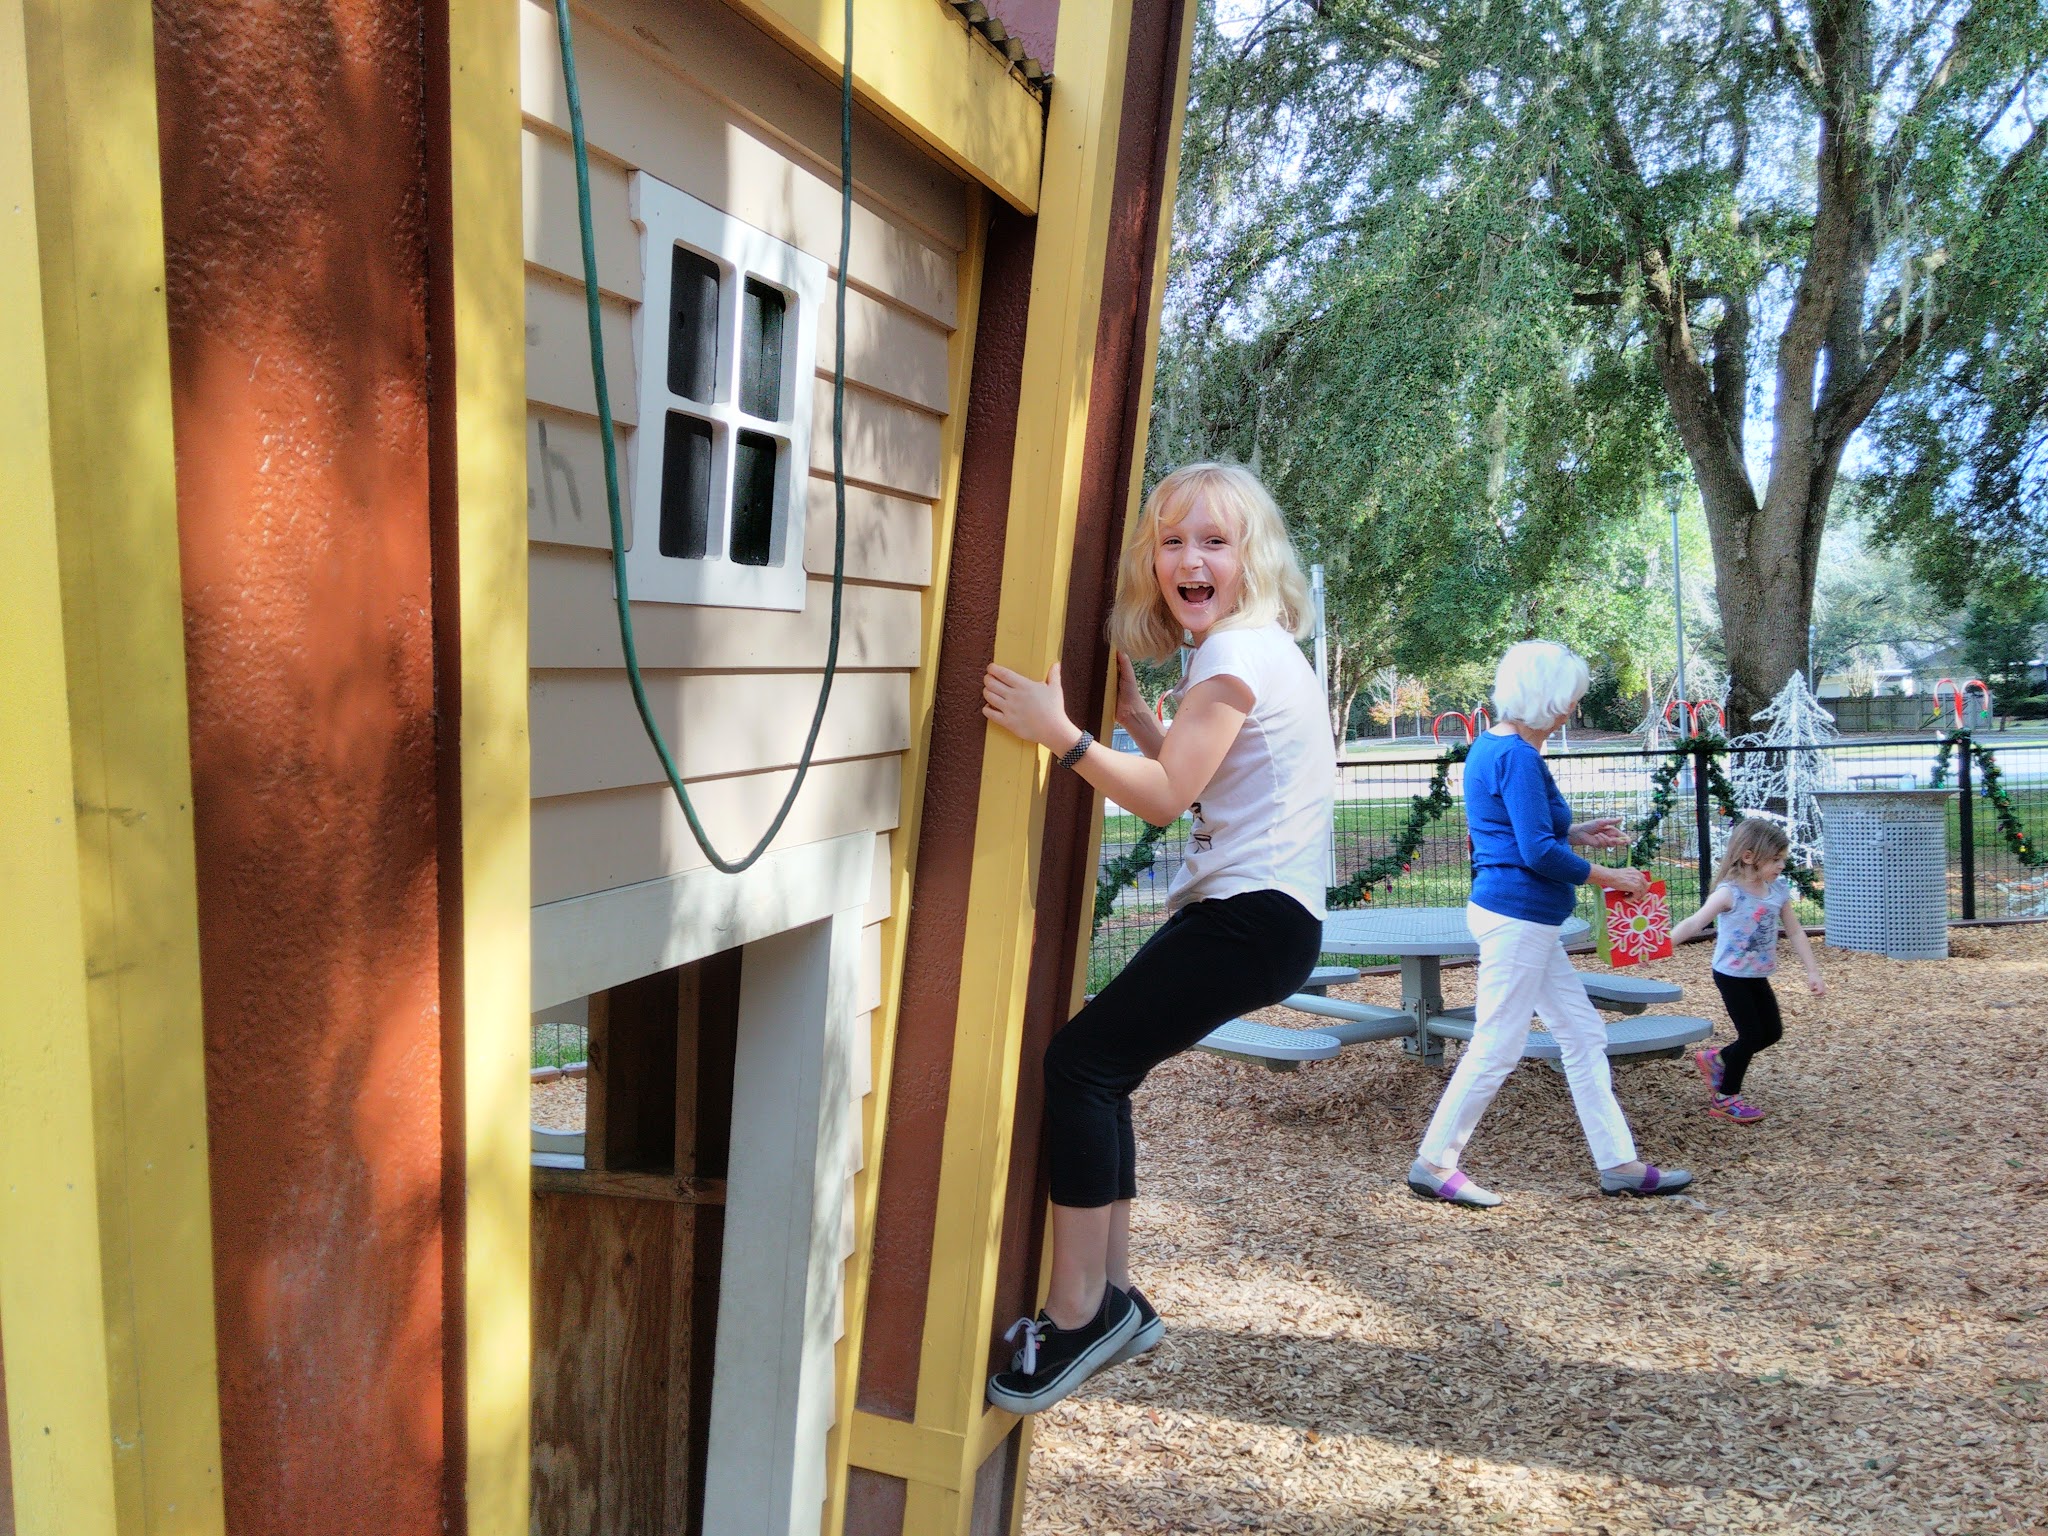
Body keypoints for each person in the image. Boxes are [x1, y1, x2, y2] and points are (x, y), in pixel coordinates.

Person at [978, 462, 1334, 1414]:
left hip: (1252, 918)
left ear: (1252, 557)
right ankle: (1115, 1298)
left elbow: (1168, 797)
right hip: (1264, 918)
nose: (1191, 559)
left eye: (1215, 541)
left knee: (1081, 1067)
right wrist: (1136, 719)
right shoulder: (1247, 654)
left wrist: (1063, 735)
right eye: (1173, 541)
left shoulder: (1234, 658)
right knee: (1104, 1069)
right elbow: (1199, 783)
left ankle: (1078, 1308)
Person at [1408, 640, 1695, 1208]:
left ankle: (1619, 1164)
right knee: (1497, 1045)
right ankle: (1434, 1163)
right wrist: (1612, 877)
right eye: (1572, 699)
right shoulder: (1517, 757)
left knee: (1583, 1034)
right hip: (1518, 917)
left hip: (1523, 916)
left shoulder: (1495, 748)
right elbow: (1535, 854)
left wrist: (1578, 833)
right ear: (1551, 701)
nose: (1575, 710)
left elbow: (1523, 834)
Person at [1669, 818, 1825, 1123]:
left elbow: (1794, 932)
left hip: (1757, 975)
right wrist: (1661, 946)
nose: (1781, 865)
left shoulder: (1777, 891)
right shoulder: (1730, 893)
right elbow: (1694, 922)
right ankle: (1726, 1099)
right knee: (1752, 1035)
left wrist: (1813, 972)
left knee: (1772, 1033)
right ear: (1749, 856)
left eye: (1783, 859)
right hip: (1731, 975)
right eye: (1776, 859)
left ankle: (1718, 1058)